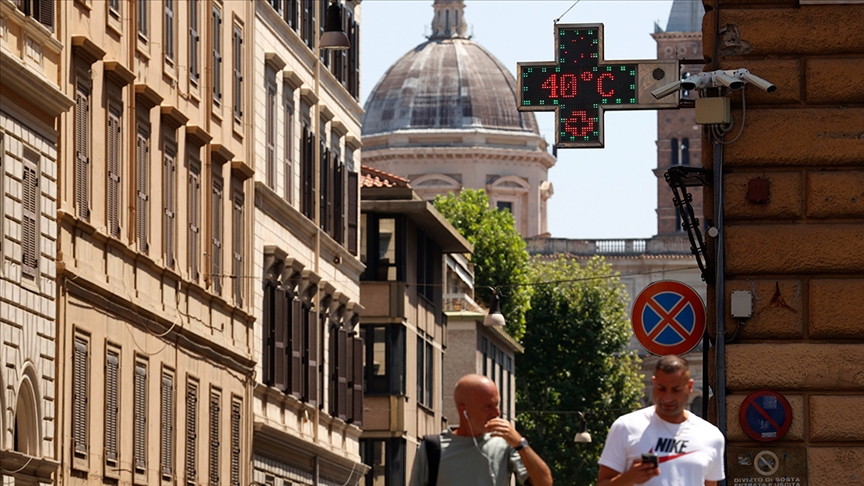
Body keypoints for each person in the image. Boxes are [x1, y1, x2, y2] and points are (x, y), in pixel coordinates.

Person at [597, 355, 725, 486]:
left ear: (689, 386)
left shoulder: (711, 436)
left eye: (676, 390)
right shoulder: (625, 427)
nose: (667, 397)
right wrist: (629, 478)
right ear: (653, 383)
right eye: (661, 388)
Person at [408, 374, 553, 486]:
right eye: (488, 407)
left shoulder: (505, 443)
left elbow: (545, 483)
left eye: (497, 405)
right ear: (464, 411)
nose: (497, 413)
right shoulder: (432, 448)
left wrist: (521, 444)